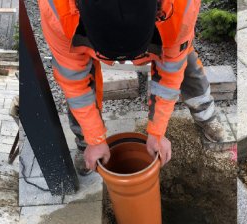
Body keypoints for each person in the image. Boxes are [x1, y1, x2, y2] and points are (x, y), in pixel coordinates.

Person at [39, 0, 225, 175]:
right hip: (80, 31)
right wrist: (94, 139)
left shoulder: (181, 7)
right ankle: (85, 144)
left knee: (184, 62)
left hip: (167, 26)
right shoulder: (57, 9)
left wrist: (158, 132)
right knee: (80, 89)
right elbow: (75, 83)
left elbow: (170, 73)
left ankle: (205, 115)